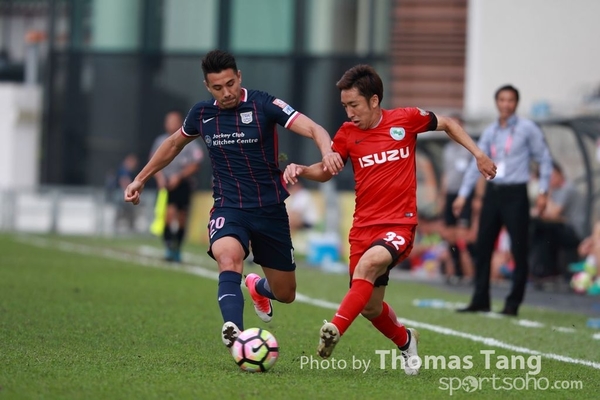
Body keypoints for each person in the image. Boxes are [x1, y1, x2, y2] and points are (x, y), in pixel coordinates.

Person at [283, 64, 496, 374]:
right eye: (344, 106)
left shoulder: (405, 120)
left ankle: (335, 329)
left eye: (354, 105)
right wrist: (302, 169)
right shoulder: (347, 134)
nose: (349, 113)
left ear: (374, 100)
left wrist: (479, 154)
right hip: (362, 228)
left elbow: (449, 123)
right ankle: (406, 340)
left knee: (369, 266)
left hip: (399, 224)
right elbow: (328, 171)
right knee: (370, 307)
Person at [124, 50, 343, 349]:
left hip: (269, 210)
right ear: (207, 86)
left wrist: (327, 152)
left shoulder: (264, 104)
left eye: (230, 83)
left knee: (285, 293)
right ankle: (236, 333)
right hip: (229, 207)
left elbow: (315, 128)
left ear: (239, 77)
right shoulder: (202, 114)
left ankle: (257, 287)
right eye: (217, 87)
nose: (226, 92)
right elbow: (173, 144)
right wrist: (140, 179)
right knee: (228, 258)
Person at [454, 84, 553, 317]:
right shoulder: (490, 131)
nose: (506, 104)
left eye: (510, 100)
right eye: (502, 100)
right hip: (493, 192)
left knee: (518, 248)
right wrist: (463, 194)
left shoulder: (527, 129)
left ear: (516, 103)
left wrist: (543, 191)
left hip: (516, 194)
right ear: (496, 102)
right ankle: (480, 299)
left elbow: (544, 159)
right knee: (483, 246)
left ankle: (513, 303)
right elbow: (476, 163)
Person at [150, 110, 204, 262]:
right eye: (168, 121)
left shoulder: (190, 142)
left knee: (181, 217)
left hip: (183, 184)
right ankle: (168, 247)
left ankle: (177, 248)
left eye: (174, 121)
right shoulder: (160, 141)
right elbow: (153, 161)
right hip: (166, 185)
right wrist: (159, 177)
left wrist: (180, 176)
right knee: (167, 215)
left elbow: (196, 163)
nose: (171, 124)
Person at [529, 161, 586, 280]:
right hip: (561, 227)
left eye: (552, 176)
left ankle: (545, 271)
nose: (550, 179)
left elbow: (552, 213)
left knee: (546, 230)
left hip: (574, 231)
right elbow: (540, 212)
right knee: (537, 229)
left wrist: (546, 192)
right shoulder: (556, 191)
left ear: (560, 174)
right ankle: (537, 269)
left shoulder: (568, 189)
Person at [440, 115, 476, 283]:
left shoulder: (469, 148)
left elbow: (477, 174)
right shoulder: (447, 150)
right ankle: (456, 271)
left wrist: (477, 197)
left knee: (463, 235)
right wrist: (442, 196)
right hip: (450, 194)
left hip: (464, 195)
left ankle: (470, 273)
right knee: (450, 235)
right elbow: (446, 175)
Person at [113, 153, 139, 232]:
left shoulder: (124, 170)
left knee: (124, 212)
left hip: (120, 194)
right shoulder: (124, 170)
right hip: (121, 194)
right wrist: (130, 192)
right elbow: (124, 181)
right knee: (126, 211)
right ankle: (128, 228)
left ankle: (120, 227)